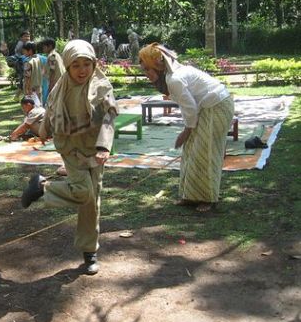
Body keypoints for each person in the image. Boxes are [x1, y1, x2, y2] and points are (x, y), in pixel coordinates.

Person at [20, 40, 118, 275]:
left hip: (95, 150)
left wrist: (104, 146)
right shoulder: (60, 88)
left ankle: (89, 251)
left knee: (91, 201)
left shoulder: (102, 86)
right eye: (76, 65)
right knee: (83, 192)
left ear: (94, 63)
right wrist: (43, 131)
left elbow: (109, 117)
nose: (82, 70)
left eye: (87, 64)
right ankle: (42, 188)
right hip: (71, 148)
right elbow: (51, 112)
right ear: (67, 66)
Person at [138, 43, 235, 212]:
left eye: (148, 69)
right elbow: (189, 107)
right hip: (206, 107)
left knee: (205, 152)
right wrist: (188, 131)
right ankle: (190, 196)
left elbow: (189, 107)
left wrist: (186, 131)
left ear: (159, 66)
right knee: (191, 150)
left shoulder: (174, 79)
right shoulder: (170, 76)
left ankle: (207, 198)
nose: (146, 74)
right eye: (144, 70)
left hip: (217, 106)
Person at [21, 41, 43, 106]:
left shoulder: (28, 62)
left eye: (24, 51)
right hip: (38, 88)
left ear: (30, 51)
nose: (23, 52)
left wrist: (27, 91)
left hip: (30, 89)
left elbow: (27, 77)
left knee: (31, 109)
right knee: (38, 106)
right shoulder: (38, 59)